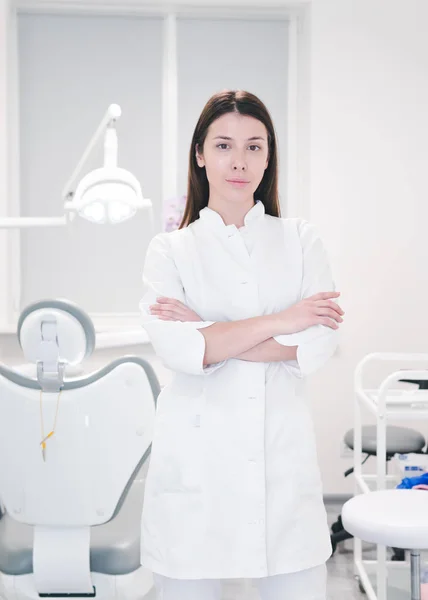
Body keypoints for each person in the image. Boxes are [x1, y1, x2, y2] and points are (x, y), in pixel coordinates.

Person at [139, 90, 344, 600]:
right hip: (196, 470)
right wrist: (283, 321)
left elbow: (316, 345)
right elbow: (181, 350)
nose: (239, 160)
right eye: (224, 145)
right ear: (200, 153)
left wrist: (210, 328)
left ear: (269, 157)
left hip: (281, 469)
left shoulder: (300, 240)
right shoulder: (170, 250)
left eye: (255, 147)